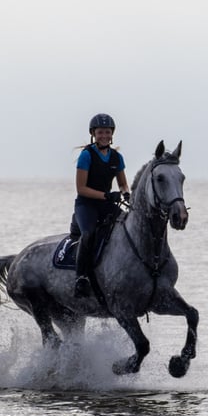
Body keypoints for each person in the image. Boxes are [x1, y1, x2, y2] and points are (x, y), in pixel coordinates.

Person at [72, 113, 131, 297]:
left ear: (112, 134)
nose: (103, 135)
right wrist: (106, 195)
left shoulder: (117, 157)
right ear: (93, 134)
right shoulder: (86, 156)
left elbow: (122, 183)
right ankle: (81, 277)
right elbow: (81, 188)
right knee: (88, 234)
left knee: (127, 227)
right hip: (86, 205)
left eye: (107, 132)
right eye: (100, 132)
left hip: (107, 203)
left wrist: (126, 193)